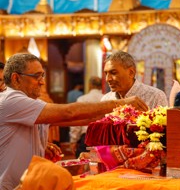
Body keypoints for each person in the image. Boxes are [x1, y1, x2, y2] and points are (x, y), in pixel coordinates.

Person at [0, 53, 148, 190]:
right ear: (16, 78)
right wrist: (121, 104)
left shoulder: (30, 102)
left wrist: (125, 115)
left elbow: (84, 119)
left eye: (42, 76)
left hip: (31, 183)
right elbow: (68, 113)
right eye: (37, 76)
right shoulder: (10, 100)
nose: (42, 82)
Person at [101, 51, 168, 108]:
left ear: (131, 73)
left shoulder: (155, 96)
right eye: (106, 74)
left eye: (113, 73)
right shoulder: (106, 100)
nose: (108, 79)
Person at [70, 76, 103, 158]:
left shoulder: (82, 99)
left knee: (83, 162)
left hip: (86, 137)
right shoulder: (106, 98)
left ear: (89, 85)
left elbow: (76, 121)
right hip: (103, 137)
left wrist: (73, 140)